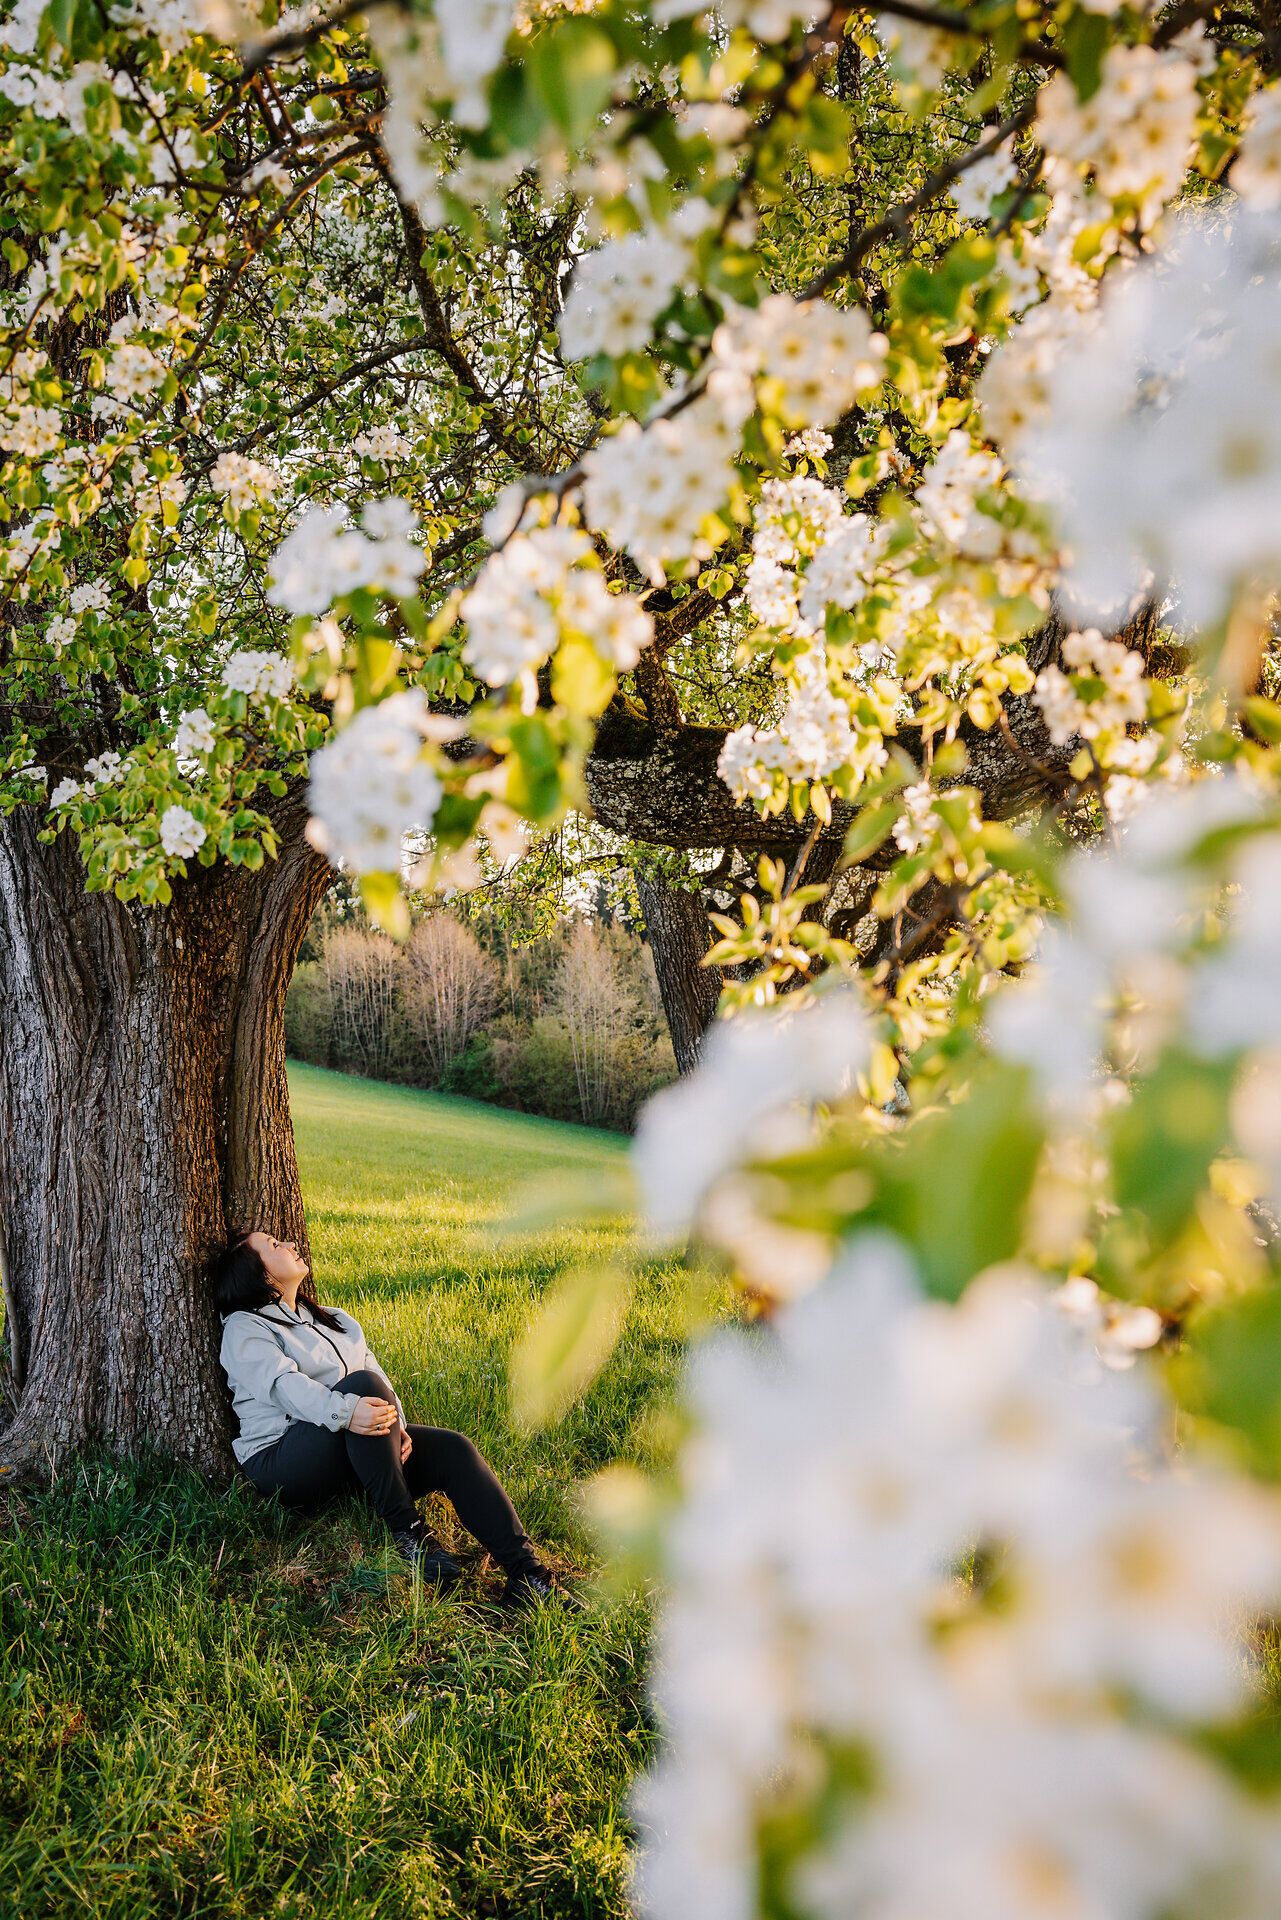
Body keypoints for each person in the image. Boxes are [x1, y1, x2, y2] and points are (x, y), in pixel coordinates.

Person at [213, 1227, 562, 1607]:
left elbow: (378, 1377)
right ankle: (409, 1534)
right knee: (361, 1385)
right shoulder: (245, 1327)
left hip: (355, 1446)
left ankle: (529, 1576)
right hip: (283, 1459)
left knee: (453, 1449)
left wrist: (399, 1428)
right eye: (275, 1246)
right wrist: (347, 1412)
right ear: (256, 1273)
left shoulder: (336, 1320)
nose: (291, 1244)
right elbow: (283, 1386)